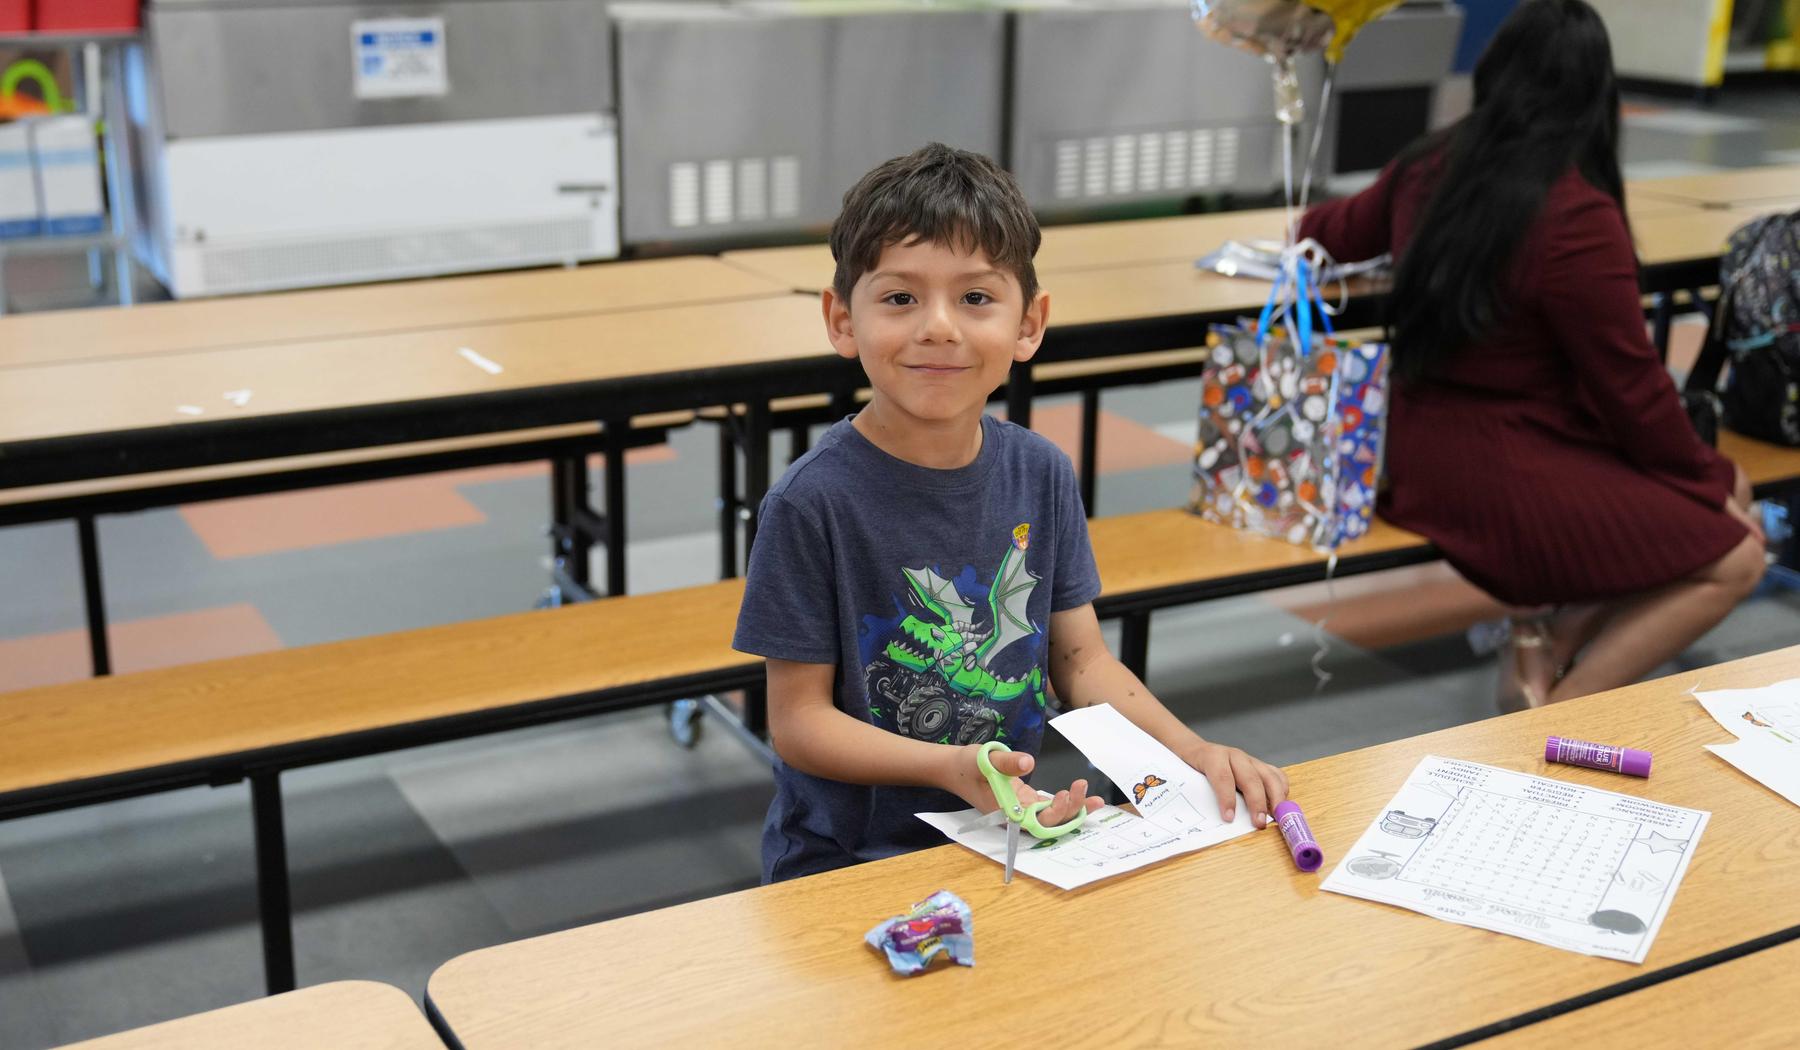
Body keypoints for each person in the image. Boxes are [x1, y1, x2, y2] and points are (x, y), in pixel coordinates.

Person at [733, 143, 1289, 883]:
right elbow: (798, 723)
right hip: (845, 859)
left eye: (976, 298)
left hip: (1007, 834)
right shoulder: (810, 503)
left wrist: (1194, 753)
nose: (939, 327)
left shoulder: (1041, 473)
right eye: (900, 298)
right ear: (841, 320)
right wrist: (952, 765)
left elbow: (1081, 659)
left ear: (1030, 324)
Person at [1299, 0, 1764, 710]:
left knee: (1679, 506)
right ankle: (1557, 707)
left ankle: (1547, 635)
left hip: (1416, 458)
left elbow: (1322, 231)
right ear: (1593, 94)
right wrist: (1716, 479)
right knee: (1737, 554)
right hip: (1511, 476)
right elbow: (1633, 394)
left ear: (1495, 74)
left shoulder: (1428, 165)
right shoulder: (1576, 213)